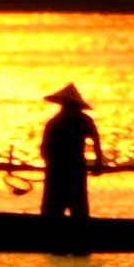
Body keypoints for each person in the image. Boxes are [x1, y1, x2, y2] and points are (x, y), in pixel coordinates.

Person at [39, 82, 105, 237]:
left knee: (60, 209)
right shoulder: (81, 120)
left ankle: (58, 236)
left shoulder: (55, 123)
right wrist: (98, 164)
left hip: (65, 169)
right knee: (73, 208)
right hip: (69, 169)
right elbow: (96, 144)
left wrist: (50, 164)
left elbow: (44, 149)